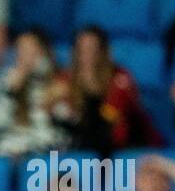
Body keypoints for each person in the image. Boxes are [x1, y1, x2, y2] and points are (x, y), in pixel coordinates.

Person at [48, 26, 163, 155]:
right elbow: (53, 112)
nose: (87, 53)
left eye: (92, 48)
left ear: (103, 51)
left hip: (125, 140)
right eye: (82, 48)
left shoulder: (119, 77)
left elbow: (111, 122)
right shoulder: (65, 79)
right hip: (85, 141)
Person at [0, 28, 66, 157]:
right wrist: (10, 93)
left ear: (44, 52)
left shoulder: (58, 82)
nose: (27, 56)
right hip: (12, 151)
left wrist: (48, 106)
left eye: (32, 50)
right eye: (22, 50)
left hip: (48, 152)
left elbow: (65, 127)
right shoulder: (8, 80)